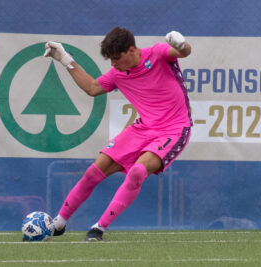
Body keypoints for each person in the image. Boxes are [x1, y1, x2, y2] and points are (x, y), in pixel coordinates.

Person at [43, 27, 192, 241]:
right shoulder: (118, 73)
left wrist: (180, 44)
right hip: (142, 128)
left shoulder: (158, 53)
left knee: (137, 172)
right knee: (93, 172)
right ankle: (59, 223)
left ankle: (98, 229)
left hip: (174, 129)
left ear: (131, 50)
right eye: (110, 60)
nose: (113, 64)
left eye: (116, 58)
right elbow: (92, 88)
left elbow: (183, 52)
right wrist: (65, 59)